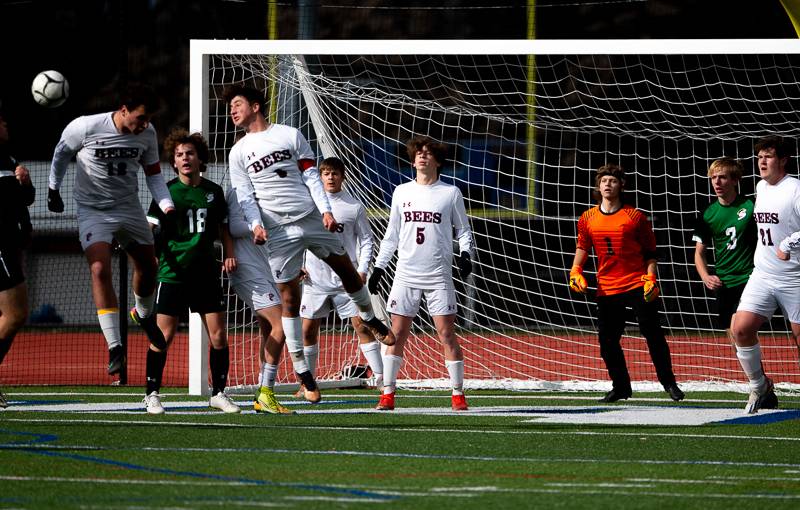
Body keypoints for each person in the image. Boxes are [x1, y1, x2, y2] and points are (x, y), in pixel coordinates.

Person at [224, 84, 395, 402]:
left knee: (347, 270)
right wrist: (255, 224)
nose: (232, 111)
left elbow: (311, 176)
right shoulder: (237, 153)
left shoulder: (289, 134)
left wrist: (326, 211)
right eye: (230, 107)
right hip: (278, 232)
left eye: (237, 104)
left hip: (311, 219)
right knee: (289, 300)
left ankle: (369, 317)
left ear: (256, 106)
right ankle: (304, 373)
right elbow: (246, 196)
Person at [47, 83, 173, 376]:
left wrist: (166, 206)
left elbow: (154, 175)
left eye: (148, 119)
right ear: (123, 110)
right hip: (94, 212)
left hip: (129, 209)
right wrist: (53, 189)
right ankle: (116, 346)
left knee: (149, 267)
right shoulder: (86, 127)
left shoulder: (148, 134)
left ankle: (143, 315)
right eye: (140, 117)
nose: (144, 124)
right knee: (99, 269)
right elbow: (61, 153)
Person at [368, 135, 474, 411]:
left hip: (439, 276)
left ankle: (457, 393)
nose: (422, 156)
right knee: (396, 334)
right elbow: (391, 235)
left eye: (428, 153)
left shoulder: (450, 193)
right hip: (405, 275)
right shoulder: (401, 192)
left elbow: (463, 230)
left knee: (446, 333)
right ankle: (388, 394)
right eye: (419, 152)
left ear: (438, 161)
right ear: (413, 159)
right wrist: (379, 267)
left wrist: (465, 254)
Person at [141, 129, 239, 414]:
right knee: (163, 336)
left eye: (190, 153)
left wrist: (230, 254)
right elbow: (149, 227)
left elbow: (223, 227)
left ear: (200, 159)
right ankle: (151, 394)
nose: (185, 158)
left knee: (219, 335)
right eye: (180, 155)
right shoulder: (166, 191)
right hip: (173, 273)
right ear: (174, 162)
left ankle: (219, 393)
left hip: (206, 274)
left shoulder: (213, 192)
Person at [569, 164, 684, 403]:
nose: (607, 184)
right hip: (607, 287)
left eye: (612, 180)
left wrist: (651, 278)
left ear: (621, 185)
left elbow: (651, 252)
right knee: (607, 340)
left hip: (636, 284)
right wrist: (575, 270)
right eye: (603, 181)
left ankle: (669, 382)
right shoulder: (587, 218)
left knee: (653, 334)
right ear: (598, 187)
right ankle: (621, 386)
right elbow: (583, 247)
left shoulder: (635, 217)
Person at [300, 157, 385, 391]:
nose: (330, 177)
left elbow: (367, 240)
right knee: (307, 329)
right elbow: (298, 235)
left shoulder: (354, 206)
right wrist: (298, 263)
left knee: (362, 325)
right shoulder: (309, 203)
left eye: (335, 173)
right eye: (325, 173)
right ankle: (308, 383)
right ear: (320, 177)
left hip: (345, 279)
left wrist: (363, 269)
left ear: (342, 176)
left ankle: (380, 378)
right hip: (314, 279)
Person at [732, 136, 800, 414]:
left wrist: (789, 244)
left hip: (794, 277)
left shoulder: (795, 189)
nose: (762, 161)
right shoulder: (761, 187)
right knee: (740, 328)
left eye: (768, 156)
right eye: (760, 156)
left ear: (783, 160)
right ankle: (760, 387)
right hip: (763, 274)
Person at [226, 187, 297, 414]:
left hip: (269, 267)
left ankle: (262, 394)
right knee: (281, 324)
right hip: (246, 268)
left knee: (268, 330)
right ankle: (266, 392)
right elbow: (229, 227)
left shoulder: (271, 186)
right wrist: (254, 227)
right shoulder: (237, 191)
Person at [692, 157, 758, 341]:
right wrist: (706, 276)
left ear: (735, 180)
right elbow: (699, 253)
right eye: (713, 178)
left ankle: (754, 369)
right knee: (732, 331)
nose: (717, 182)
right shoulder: (707, 213)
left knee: (741, 328)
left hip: (750, 277)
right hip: (724, 281)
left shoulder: (751, 205)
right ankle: (749, 369)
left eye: (722, 177)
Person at [0, 110, 35, 408]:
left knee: (13, 315)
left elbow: (26, 200)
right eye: (1, 121)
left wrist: (24, 183)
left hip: (10, 246)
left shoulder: (8, 160)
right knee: (15, 314)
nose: (5, 123)